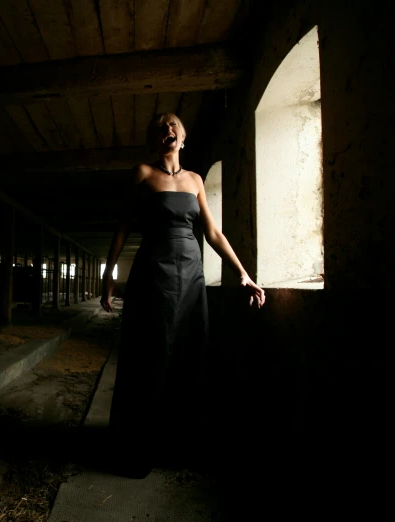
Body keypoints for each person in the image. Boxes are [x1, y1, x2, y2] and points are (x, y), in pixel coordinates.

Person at [99, 113, 265, 478]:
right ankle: (138, 448)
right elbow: (124, 226)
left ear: (183, 137)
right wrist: (109, 275)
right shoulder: (141, 173)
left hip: (191, 274)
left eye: (172, 124)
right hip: (152, 274)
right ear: (152, 141)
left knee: (188, 355)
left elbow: (213, 233)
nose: (166, 129)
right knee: (151, 354)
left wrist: (243, 274)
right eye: (159, 127)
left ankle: (177, 447)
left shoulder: (195, 180)